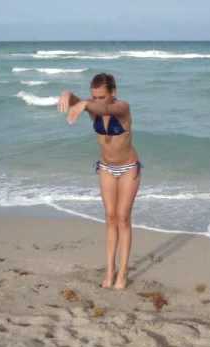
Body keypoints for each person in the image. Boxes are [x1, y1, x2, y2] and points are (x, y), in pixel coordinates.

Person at [57, 73, 141, 290]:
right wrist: (68, 94)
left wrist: (84, 104)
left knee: (123, 218)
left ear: (113, 93)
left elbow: (105, 110)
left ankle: (122, 274)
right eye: (94, 97)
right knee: (110, 217)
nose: (98, 101)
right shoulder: (93, 106)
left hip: (128, 168)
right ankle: (109, 270)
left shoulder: (122, 107)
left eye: (102, 96)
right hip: (105, 167)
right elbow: (81, 102)